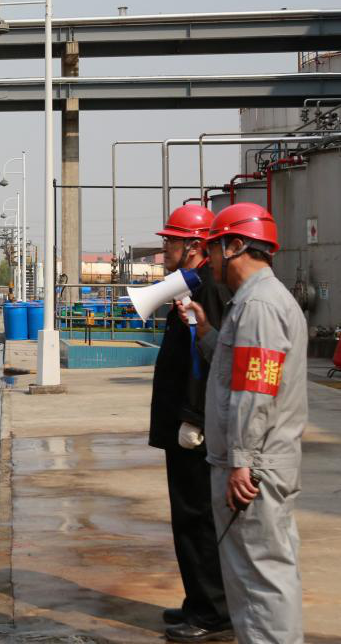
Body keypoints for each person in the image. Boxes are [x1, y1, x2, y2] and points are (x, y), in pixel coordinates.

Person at [191, 203, 308, 644]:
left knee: (261, 580)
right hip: (255, 462)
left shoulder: (259, 306)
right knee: (254, 576)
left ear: (236, 245)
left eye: (214, 249)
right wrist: (206, 331)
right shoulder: (254, 303)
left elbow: (254, 391)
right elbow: (233, 371)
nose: (209, 260)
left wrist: (242, 460)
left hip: (253, 468)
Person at [148, 206, 232, 642]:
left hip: (194, 429)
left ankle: (213, 613)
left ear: (195, 246)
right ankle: (197, 601)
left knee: (197, 518)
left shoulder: (209, 289)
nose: (165, 248)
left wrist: (193, 417)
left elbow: (209, 359)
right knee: (186, 518)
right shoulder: (191, 285)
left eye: (171, 241)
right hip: (181, 421)